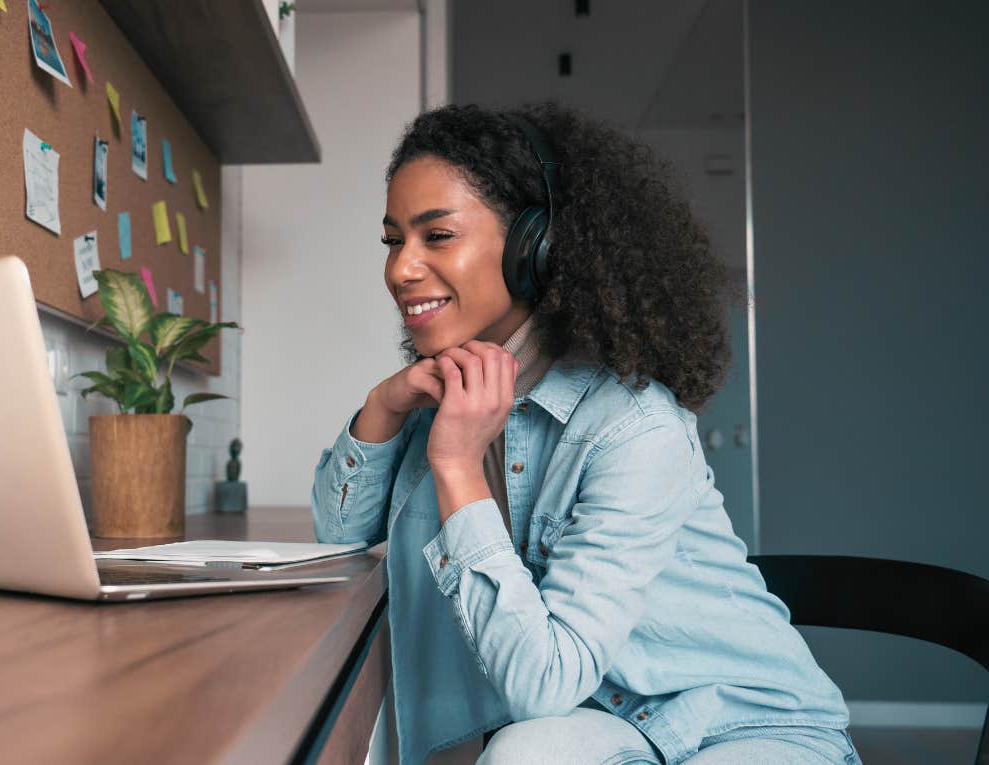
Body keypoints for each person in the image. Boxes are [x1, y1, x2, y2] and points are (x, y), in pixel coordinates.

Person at [309, 101, 861, 765]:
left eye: (438, 235)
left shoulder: (634, 427)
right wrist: (382, 408)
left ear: (532, 246)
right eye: (394, 239)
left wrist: (455, 467)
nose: (401, 268)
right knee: (521, 754)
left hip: (743, 724)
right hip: (614, 722)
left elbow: (542, 681)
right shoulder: (447, 401)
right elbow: (339, 541)